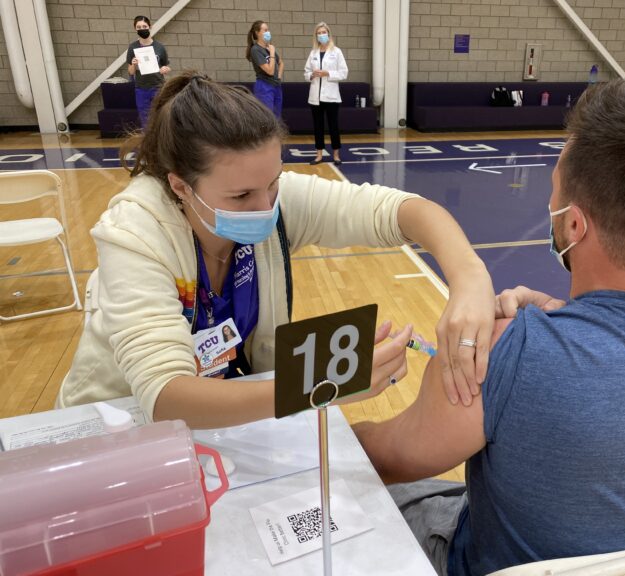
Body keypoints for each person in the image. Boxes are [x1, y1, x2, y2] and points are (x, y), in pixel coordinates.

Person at [354, 81, 625, 575]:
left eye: (554, 195)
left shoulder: (501, 353)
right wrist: (557, 317)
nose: (551, 207)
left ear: (575, 225)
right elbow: (619, 372)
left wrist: (317, 410)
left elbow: (386, 458)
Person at [56, 72, 495, 430]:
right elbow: (167, 396)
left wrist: (470, 277)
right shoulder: (135, 232)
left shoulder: (272, 201)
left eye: (273, 182)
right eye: (242, 195)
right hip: (115, 429)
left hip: (223, 420)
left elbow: (398, 211)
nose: (265, 208)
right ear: (180, 185)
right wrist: (318, 383)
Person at [304, 22, 348, 166]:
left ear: (328, 34)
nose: (322, 35)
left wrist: (327, 73)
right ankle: (319, 155)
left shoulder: (337, 52)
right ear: (316, 36)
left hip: (331, 96)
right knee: (318, 126)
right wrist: (312, 75)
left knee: (333, 125)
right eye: (319, 33)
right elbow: (306, 73)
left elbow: (344, 73)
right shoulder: (313, 53)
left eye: (324, 32)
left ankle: (336, 154)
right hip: (315, 96)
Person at [126, 15, 171, 128]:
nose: (142, 29)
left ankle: (161, 143)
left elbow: (166, 66)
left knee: (161, 117)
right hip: (141, 89)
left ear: (150, 26)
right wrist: (134, 64)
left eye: (144, 26)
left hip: (159, 87)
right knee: (145, 120)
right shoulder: (133, 47)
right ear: (135, 29)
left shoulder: (159, 47)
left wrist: (165, 69)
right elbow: (131, 72)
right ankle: (148, 143)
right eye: (139, 27)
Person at [246, 21, 283, 117]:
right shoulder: (256, 50)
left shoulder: (268, 48)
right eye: (265, 30)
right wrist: (272, 53)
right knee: (268, 118)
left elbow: (281, 63)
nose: (268, 32)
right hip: (264, 86)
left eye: (268, 30)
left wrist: (278, 76)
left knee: (277, 117)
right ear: (257, 33)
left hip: (276, 85)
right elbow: (270, 71)